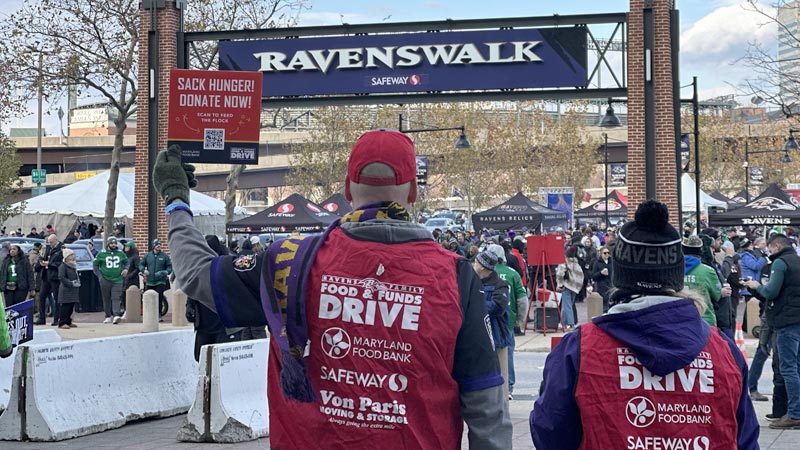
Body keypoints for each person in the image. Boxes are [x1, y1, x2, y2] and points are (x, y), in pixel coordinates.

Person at [155, 130, 511, 449]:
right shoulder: (454, 276)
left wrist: (176, 201)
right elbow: (485, 405)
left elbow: (195, 274)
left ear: (346, 189)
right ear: (414, 191)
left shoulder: (289, 262)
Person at [530, 200, 759, 449]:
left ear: (620, 274)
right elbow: (745, 438)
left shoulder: (579, 349)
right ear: (676, 276)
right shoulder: (724, 351)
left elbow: (550, 431)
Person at [746, 233, 800, 429]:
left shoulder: (780, 264)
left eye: (769, 249)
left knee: (788, 368)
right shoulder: (798, 261)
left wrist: (756, 286)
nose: (768, 253)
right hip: (798, 319)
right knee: (797, 367)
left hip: (785, 321)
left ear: (776, 247)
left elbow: (770, 292)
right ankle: (794, 410)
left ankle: (794, 414)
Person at [487, 243, 526, 399]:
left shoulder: (484, 273)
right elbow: (523, 300)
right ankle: (508, 387)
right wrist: (520, 320)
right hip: (508, 319)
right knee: (507, 354)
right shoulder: (512, 274)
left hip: (487, 320)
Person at [683, 235, 722, 327]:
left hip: (681, 319)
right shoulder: (708, 271)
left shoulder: (674, 270)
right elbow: (717, 295)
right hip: (704, 319)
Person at [93, 237, 129, 324]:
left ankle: (116, 315)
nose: (114, 245)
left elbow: (127, 262)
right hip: (105, 279)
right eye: (112, 243)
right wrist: (100, 276)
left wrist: (126, 269)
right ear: (108, 244)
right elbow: (95, 265)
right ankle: (108, 315)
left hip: (118, 279)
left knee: (116, 297)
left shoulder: (121, 253)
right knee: (106, 298)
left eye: (115, 243)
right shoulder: (101, 253)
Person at [35, 234, 63, 326]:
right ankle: (42, 318)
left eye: (51, 242)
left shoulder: (61, 249)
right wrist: (41, 263)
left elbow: (61, 264)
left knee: (56, 298)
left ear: (56, 240)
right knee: (42, 296)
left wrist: (49, 264)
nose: (50, 244)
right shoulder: (47, 248)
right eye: (49, 242)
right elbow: (43, 257)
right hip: (46, 276)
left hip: (55, 277)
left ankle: (57, 318)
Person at [139, 239, 172, 317]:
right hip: (149, 280)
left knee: (159, 296)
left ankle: (159, 314)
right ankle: (149, 314)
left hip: (161, 281)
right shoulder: (148, 255)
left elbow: (169, 267)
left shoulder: (164, 256)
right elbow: (141, 264)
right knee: (149, 297)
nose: (159, 246)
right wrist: (143, 270)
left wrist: (165, 272)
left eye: (160, 245)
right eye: (157, 245)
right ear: (153, 246)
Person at [555, 245, 583, 330]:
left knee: (567, 305)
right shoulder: (576, 262)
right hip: (575, 287)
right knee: (567, 305)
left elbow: (560, 274)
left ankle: (571, 324)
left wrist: (559, 284)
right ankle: (563, 322)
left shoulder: (564, 262)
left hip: (566, 285)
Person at [57, 248, 80, 329]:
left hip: (73, 289)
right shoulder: (63, 266)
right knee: (65, 307)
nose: (73, 257)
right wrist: (70, 283)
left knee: (71, 306)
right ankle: (62, 322)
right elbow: (61, 277)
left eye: (73, 255)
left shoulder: (73, 265)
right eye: (71, 255)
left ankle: (68, 321)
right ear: (66, 257)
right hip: (66, 289)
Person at [591, 245, 612, 312]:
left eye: (608, 253)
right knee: (604, 307)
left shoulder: (612, 262)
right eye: (605, 253)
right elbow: (594, 276)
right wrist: (601, 273)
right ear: (601, 254)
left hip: (611, 286)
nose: (607, 254)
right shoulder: (597, 263)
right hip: (602, 287)